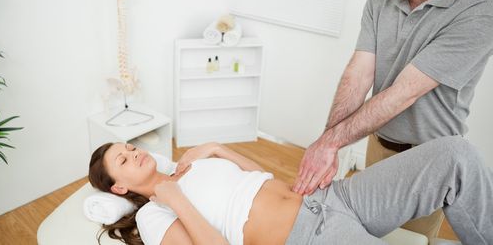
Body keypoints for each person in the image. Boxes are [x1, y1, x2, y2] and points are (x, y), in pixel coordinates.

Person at [293, 0, 493, 240]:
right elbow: (358, 74)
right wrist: (330, 142)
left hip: (427, 159)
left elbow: (403, 94)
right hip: (379, 142)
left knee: (407, 239)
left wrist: (328, 144)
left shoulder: (478, 9)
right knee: (366, 234)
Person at [88, 137, 492, 245]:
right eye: (123, 160)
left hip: (332, 197)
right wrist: (173, 198)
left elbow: (259, 178)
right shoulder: (153, 215)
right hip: (308, 237)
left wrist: (216, 149)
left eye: (130, 147)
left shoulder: (188, 164)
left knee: (453, 155)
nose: (134, 153)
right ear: (120, 187)